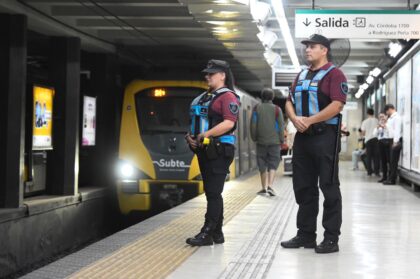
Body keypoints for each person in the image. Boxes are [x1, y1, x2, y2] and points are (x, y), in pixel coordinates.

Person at [280, 34, 347, 254]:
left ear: (324, 50)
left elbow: (337, 105)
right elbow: (288, 101)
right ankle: (306, 235)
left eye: (312, 47)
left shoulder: (335, 75)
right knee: (303, 187)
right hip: (303, 138)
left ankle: (331, 238)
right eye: (307, 47)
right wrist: (294, 118)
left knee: (328, 186)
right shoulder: (300, 75)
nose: (307, 50)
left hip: (325, 136)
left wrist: (309, 120)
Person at [185, 59, 240, 246]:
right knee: (212, 192)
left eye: (211, 73)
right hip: (205, 149)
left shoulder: (228, 97)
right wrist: (190, 136)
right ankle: (217, 234)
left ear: (222, 75)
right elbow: (196, 121)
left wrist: (205, 134)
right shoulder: (204, 98)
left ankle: (207, 232)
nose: (207, 76)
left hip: (220, 150)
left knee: (213, 192)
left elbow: (229, 122)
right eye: (206, 73)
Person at [250, 88, 285, 196]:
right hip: (274, 141)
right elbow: (280, 126)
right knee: (273, 162)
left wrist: (254, 137)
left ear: (262, 97)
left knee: (262, 163)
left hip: (261, 141)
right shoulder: (277, 109)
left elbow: (253, 124)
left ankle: (264, 188)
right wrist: (281, 139)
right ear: (272, 97)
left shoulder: (256, 108)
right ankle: (270, 186)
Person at [383, 104, 402, 185]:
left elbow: (397, 130)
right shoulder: (391, 118)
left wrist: (395, 142)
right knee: (391, 161)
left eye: (387, 111)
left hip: (395, 141)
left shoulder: (396, 117)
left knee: (393, 162)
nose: (387, 113)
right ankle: (390, 178)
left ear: (390, 109)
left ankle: (392, 180)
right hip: (391, 140)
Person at [373, 113, 391, 183]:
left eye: (383, 117)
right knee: (383, 161)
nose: (382, 118)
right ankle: (384, 177)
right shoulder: (379, 126)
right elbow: (374, 134)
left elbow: (391, 132)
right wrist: (378, 128)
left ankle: (390, 177)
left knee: (389, 161)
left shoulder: (389, 124)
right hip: (380, 142)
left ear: (386, 117)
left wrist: (385, 126)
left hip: (387, 142)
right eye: (380, 117)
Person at [361, 108, 380, 176]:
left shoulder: (365, 121)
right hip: (376, 140)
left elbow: (363, 132)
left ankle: (369, 172)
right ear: (373, 113)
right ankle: (377, 172)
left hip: (368, 140)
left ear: (367, 113)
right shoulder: (377, 120)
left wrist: (365, 134)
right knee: (376, 157)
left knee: (368, 157)